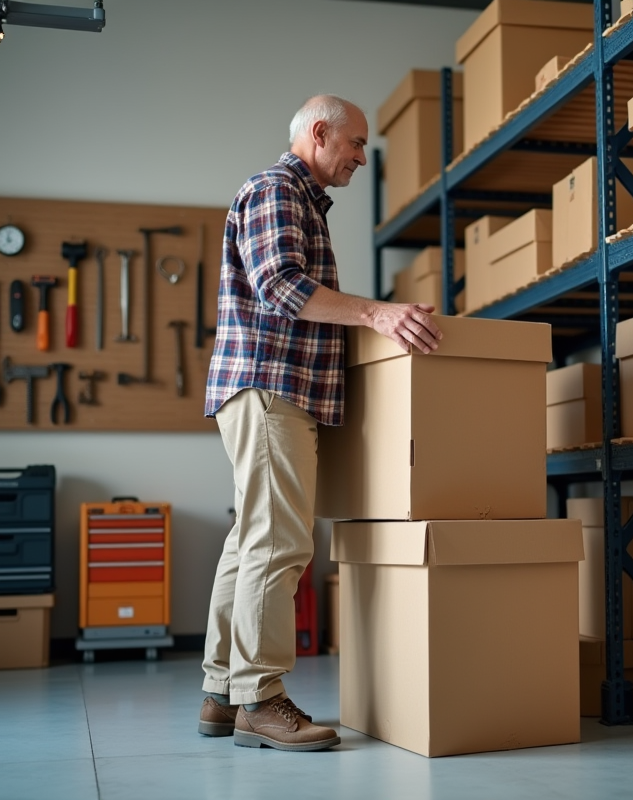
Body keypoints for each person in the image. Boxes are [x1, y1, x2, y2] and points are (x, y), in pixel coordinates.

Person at [198, 94, 443, 752]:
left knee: (250, 544)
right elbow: (279, 285)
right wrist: (378, 314)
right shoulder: (277, 190)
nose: (362, 157)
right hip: (269, 389)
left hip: (270, 391)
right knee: (279, 546)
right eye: (356, 144)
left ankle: (222, 694)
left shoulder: (300, 202)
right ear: (318, 133)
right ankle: (260, 699)